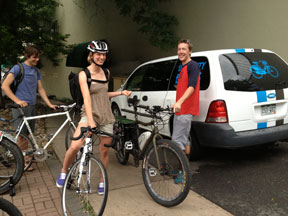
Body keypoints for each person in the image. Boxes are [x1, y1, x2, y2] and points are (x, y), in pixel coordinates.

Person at [56, 40, 132, 194]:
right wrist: (91, 122)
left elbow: (103, 95)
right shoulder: (84, 74)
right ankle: (64, 170)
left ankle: (103, 181)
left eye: (103, 54)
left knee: (104, 151)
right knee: (75, 146)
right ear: (91, 55)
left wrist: (120, 92)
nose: (101, 57)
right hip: (89, 114)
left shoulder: (107, 73)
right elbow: (87, 98)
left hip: (106, 115)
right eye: (98, 54)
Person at [1, 45, 57, 171]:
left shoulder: (36, 71)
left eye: (38, 57)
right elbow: (4, 86)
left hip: (31, 106)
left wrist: (49, 104)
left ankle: (25, 159)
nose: (37, 60)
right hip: (20, 107)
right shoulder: (18, 68)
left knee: (27, 134)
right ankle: (22, 163)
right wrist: (18, 101)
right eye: (34, 57)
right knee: (21, 135)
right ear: (26, 56)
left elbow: (40, 89)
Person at [172, 39, 200, 157]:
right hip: (180, 111)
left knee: (177, 142)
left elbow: (192, 87)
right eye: (179, 49)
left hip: (185, 110)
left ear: (190, 51)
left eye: (184, 49)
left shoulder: (193, 66)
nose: (181, 51)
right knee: (184, 141)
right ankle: (185, 170)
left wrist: (179, 102)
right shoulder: (183, 67)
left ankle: (179, 173)